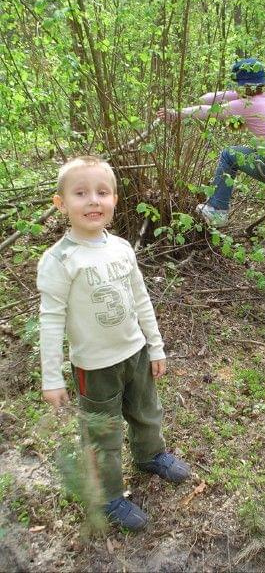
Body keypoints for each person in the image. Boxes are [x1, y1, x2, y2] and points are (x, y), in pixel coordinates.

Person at [37, 155, 190, 531]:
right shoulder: (60, 259)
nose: (93, 201)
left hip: (135, 353)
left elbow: (140, 299)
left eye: (102, 192)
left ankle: (150, 455)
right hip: (94, 365)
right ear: (61, 204)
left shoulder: (121, 247)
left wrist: (155, 346)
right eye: (81, 193)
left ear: (115, 199)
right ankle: (108, 496)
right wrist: (52, 377)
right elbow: (51, 319)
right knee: (102, 432)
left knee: (145, 412)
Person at [157, 58, 265, 289]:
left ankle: (217, 209)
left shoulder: (249, 105)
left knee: (229, 154)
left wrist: (176, 113)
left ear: (243, 86)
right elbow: (206, 97)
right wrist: (233, 92)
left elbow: (206, 109)